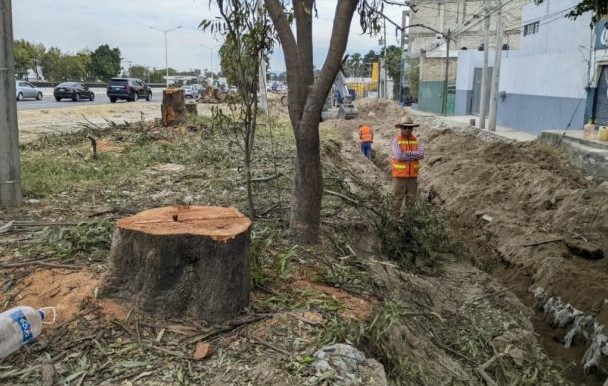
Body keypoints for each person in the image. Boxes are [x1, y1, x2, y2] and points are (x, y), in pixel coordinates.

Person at [391, 117, 425, 212]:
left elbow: (421, 155)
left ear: (412, 128)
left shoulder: (416, 140)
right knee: (397, 200)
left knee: (411, 201)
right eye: (405, 127)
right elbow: (399, 156)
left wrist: (408, 153)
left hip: (412, 177)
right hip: (400, 177)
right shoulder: (396, 140)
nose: (407, 130)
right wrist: (414, 155)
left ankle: (408, 222)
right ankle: (394, 222)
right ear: (401, 128)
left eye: (409, 128)